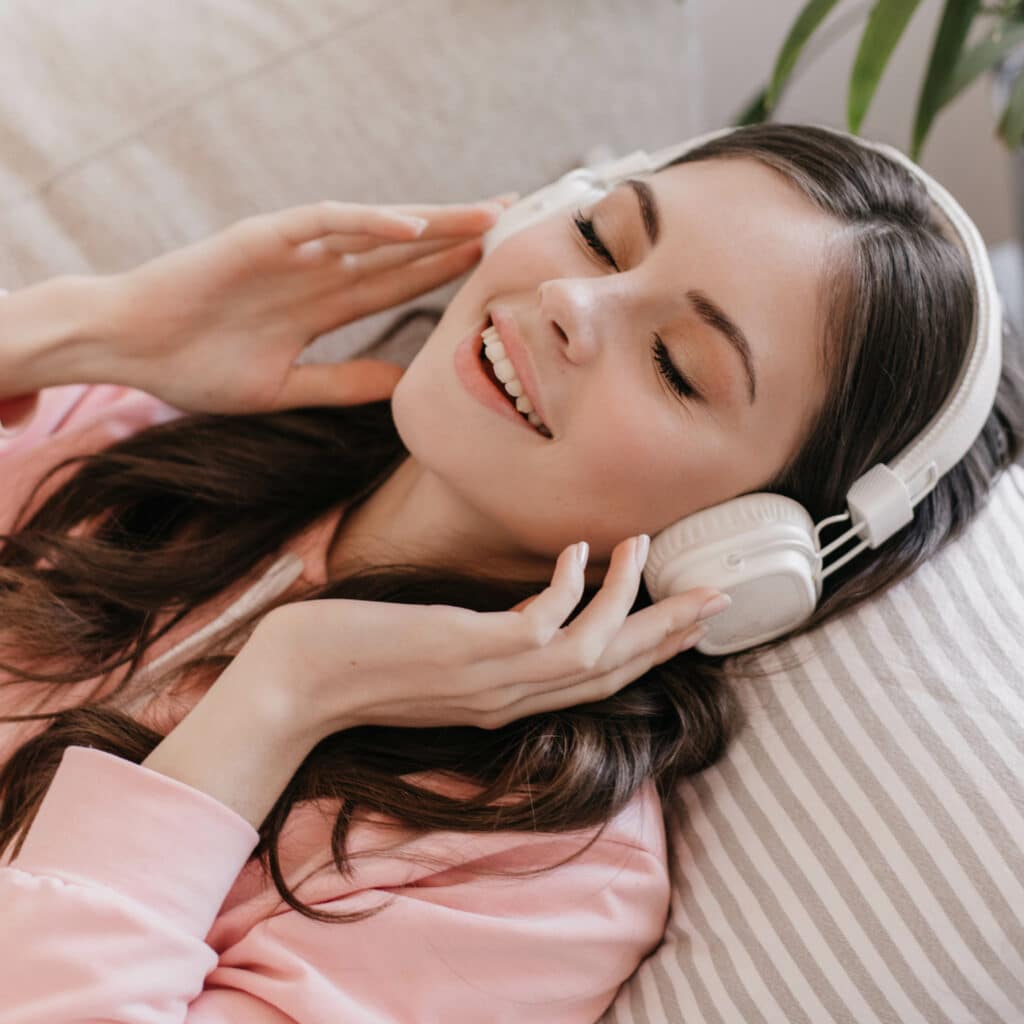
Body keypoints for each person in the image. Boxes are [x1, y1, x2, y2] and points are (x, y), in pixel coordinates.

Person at [0, 122, 1020, 1022]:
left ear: (746, 544)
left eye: (676, 365)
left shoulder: (536, 872)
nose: (573, 301)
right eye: (599, 236)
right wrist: (87, 326)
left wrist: (279, 696)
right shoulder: (145, 449)